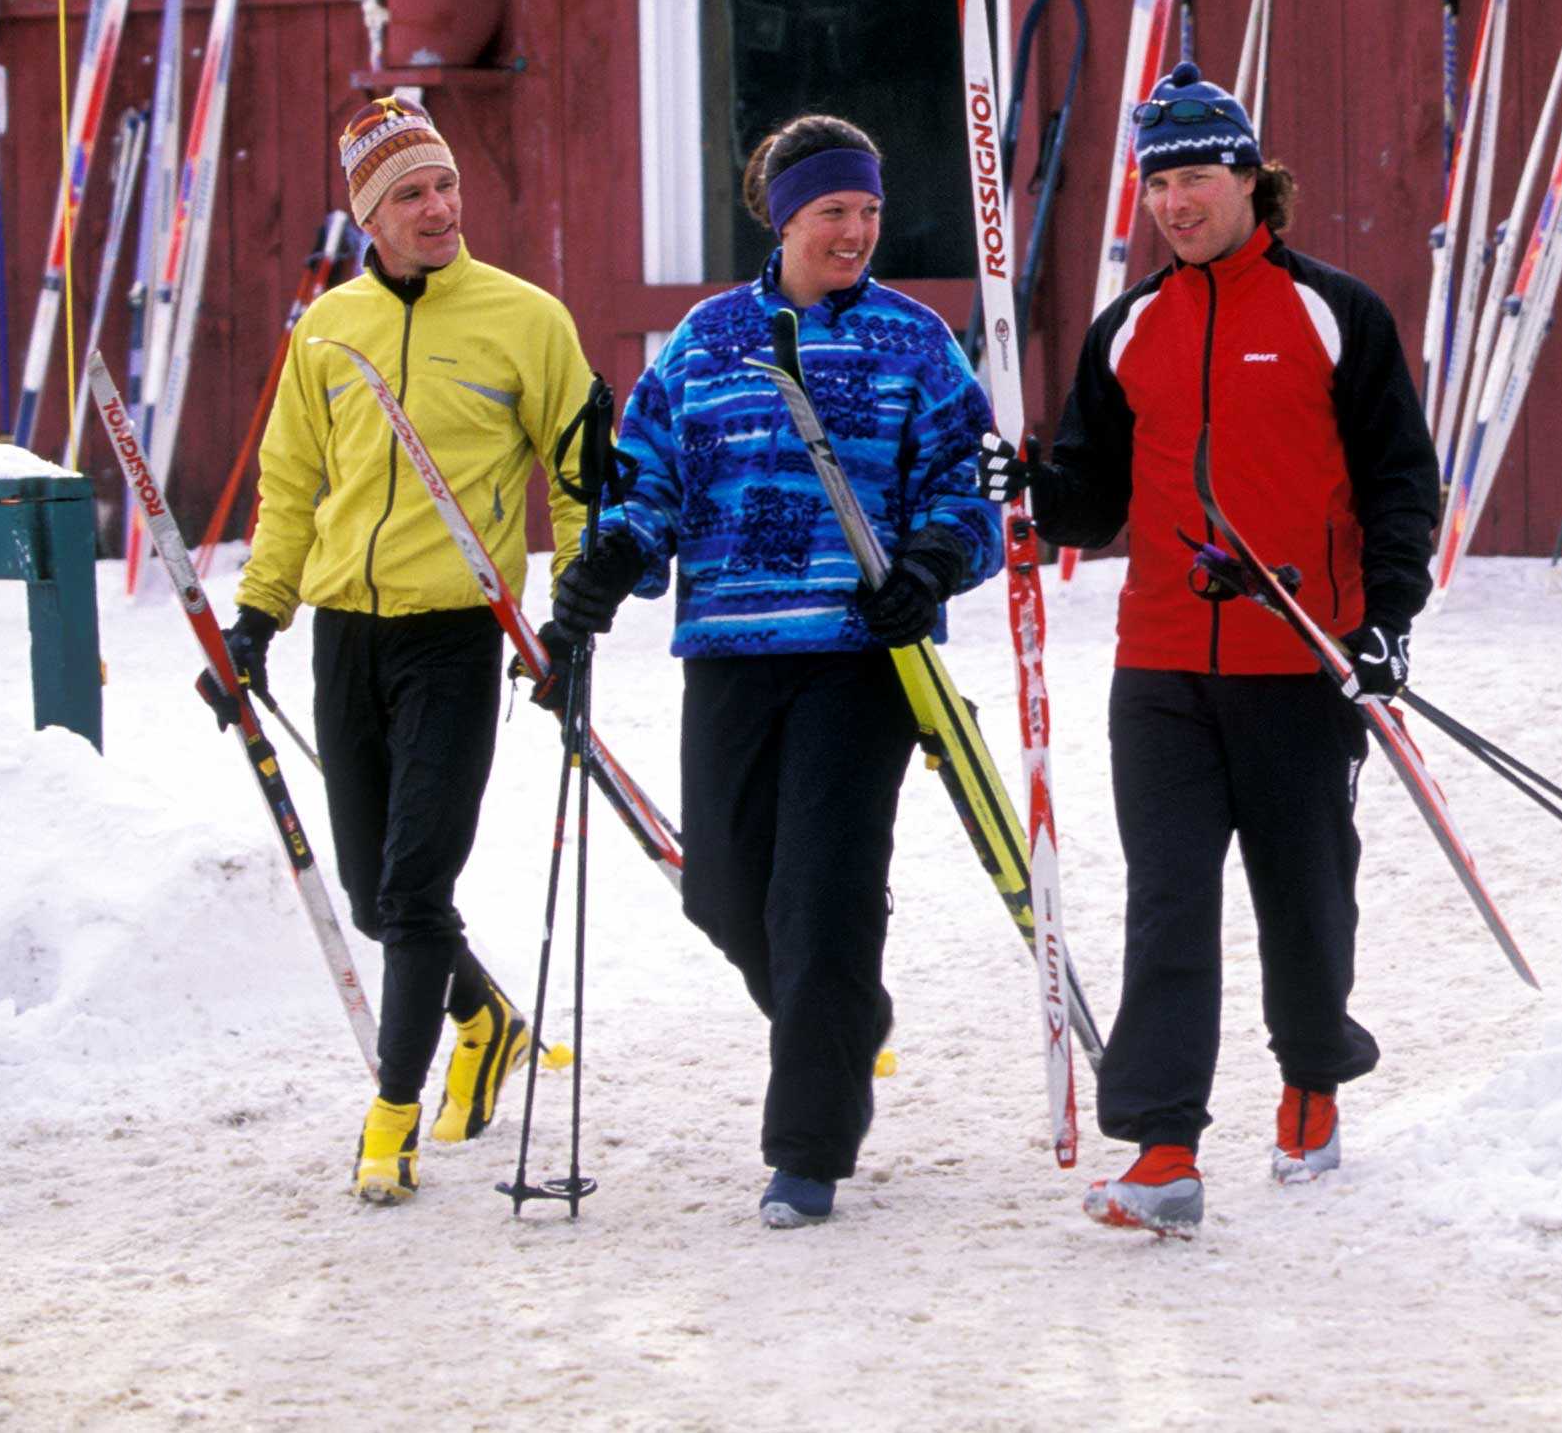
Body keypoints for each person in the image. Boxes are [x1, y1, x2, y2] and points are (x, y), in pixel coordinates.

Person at [986, 63, 1440, 1237]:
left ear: (1248, 176)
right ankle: (1165, 1145)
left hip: (1302, 657)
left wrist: (1386, 619)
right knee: (1168, 899)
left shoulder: (1335, 311)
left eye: (1193, 176)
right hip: (1164, 662)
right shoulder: (1130, 325)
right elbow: (1089, 507)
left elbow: (1400, 483)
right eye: (1156, 184)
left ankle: (1311, 1084)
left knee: (1304, 895)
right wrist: (1031, 488)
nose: (1173, 204)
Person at [545, 113, 1000, 1229]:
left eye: (871, 212)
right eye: (835, 211)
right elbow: (648, 481)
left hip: (861, 659)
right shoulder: (703, 345)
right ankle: (839, 1018)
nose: (856, 232)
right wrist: (610, 559)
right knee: (724, 891)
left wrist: (932, 561)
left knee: (825, 898)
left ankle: (808, 1146)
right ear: (784, 216)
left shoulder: (915, 342)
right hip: (735, 653)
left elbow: (967, 486)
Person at [225, 99, 600, 1205]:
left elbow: (580, 478)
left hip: (455, 635)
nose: (438, 208)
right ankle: (483, 1019)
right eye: (409, 196)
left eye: (444, 186)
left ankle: (391, 1115)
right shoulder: (326, 332)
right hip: (346, 631)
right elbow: (291, 488)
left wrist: (572, 619)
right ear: (367, 217)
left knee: (415, 883)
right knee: (370, 888)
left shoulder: (526, 321)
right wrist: (257, 617)